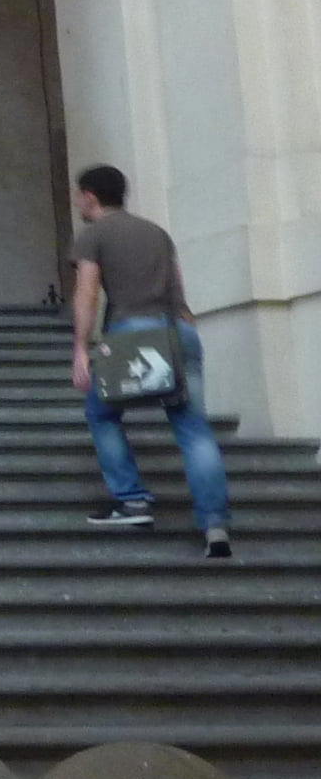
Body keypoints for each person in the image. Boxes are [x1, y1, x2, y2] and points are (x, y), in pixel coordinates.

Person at [69, 165, 233, 557]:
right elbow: (178, 289)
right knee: (194, 429)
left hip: (133, 335)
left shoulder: (93, 235)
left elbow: (87, 293)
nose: (78, 203)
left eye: (79, 196)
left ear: (90, 196)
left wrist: (81, 347)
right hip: (179, 331)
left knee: (101, 413)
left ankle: (132, 501)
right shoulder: (157, 233)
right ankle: (215, 524)